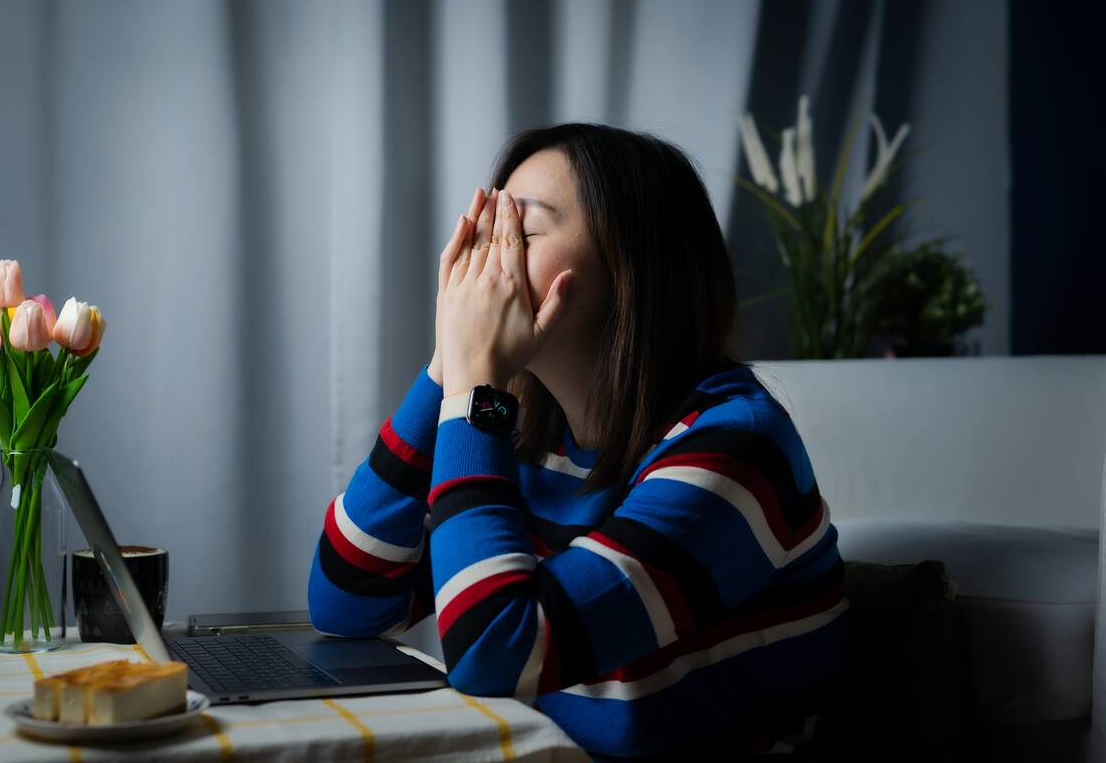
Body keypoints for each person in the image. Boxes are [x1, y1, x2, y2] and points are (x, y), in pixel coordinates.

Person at [308, 123, 852, 760]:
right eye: (487, 231)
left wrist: (475, 381)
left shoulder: (735, 446)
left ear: (631, 265)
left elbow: (497, 657)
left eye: (521, 233)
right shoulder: (518, 436)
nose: (487, 261)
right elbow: (344, 606)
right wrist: (446, 366)